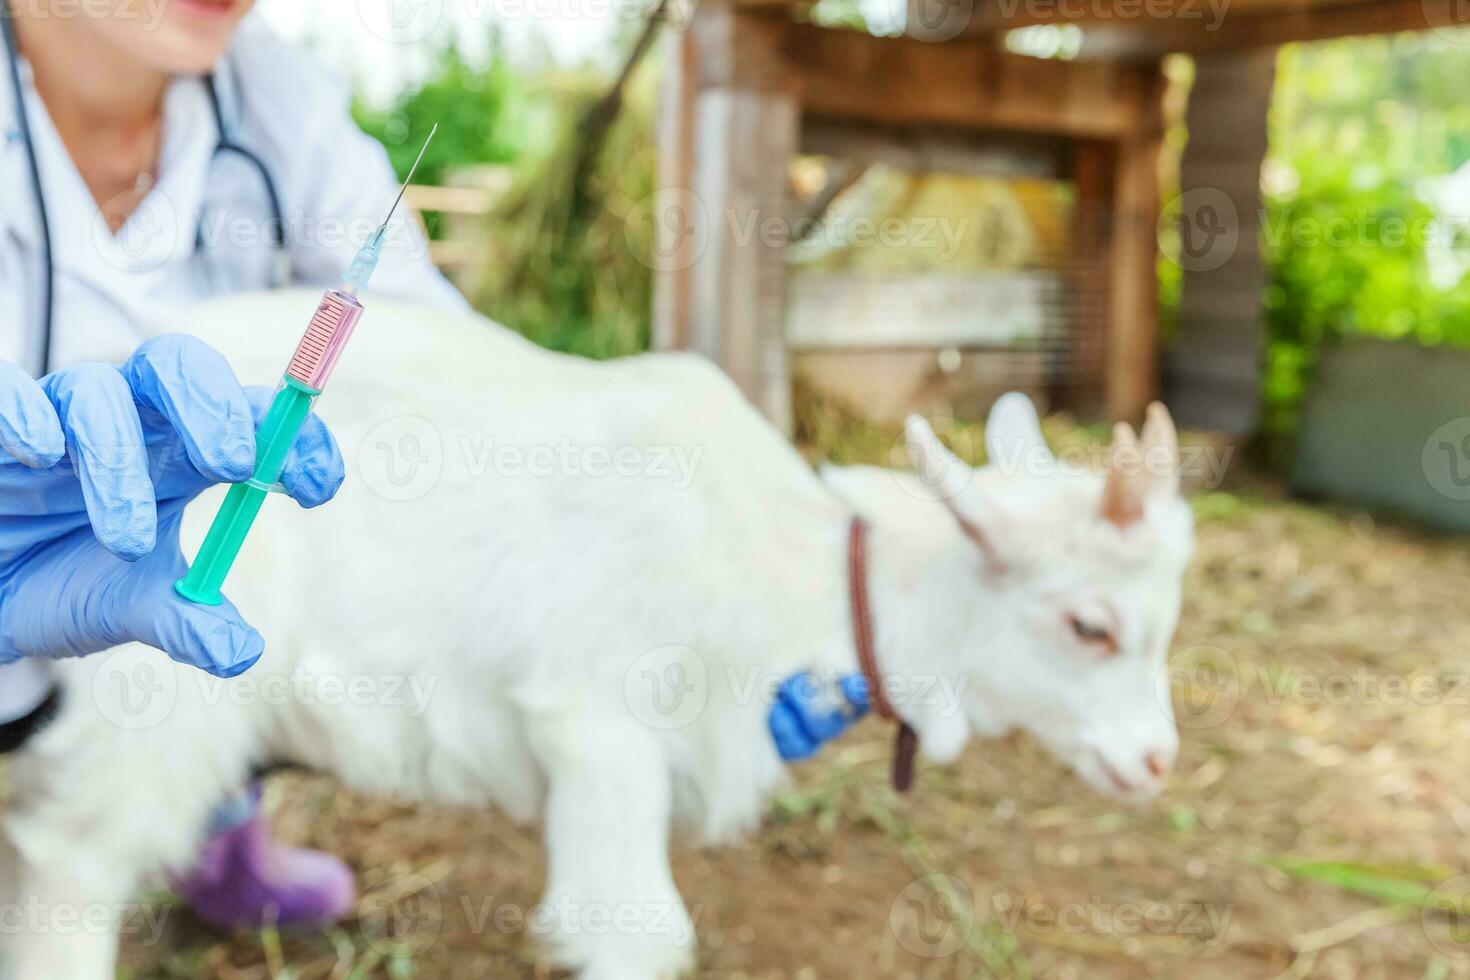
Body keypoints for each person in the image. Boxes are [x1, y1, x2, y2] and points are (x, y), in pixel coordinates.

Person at [0, 0, 466, 929]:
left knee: (261, 577)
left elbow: (448, 366)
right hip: (22, 636)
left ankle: (215, 815)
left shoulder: (277, 99)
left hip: (181, 607)